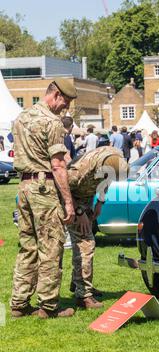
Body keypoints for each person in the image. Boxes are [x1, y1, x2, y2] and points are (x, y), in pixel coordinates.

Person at [10, 78, 76, 319]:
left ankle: (19, 302)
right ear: (56, 95)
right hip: (43, 188)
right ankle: (48, 305)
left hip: (24, 187)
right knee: (50, 246)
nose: (65, 108)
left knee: (27, 247)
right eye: (65, 103)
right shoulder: (52, 122)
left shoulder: (22, 117)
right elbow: (58, 165)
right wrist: (68, 202)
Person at [67, 147, 128, 308]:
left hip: (84, 199)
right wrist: (78, 212)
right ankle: (83, 295)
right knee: (85, 244)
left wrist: (100, 203)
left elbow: (106, 181)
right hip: (69, 201)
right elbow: (63, 189)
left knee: (86, 241)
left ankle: (78, 283)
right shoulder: (80, 171)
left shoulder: (115, 159)